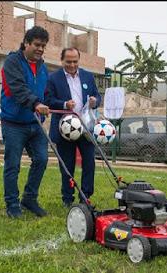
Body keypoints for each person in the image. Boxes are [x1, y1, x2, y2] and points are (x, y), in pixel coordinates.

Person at [0, 26, 50, 219]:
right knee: (12, 165)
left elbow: (45, 93)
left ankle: (29, 198)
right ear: (26, 43)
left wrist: (60, 103)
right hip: (14, 123)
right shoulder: (12, 62)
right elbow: (18, 89)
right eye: (37, 45)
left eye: (43, 46)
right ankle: (12, 204)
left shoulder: (42, 67)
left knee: (42, 160)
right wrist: (35, 103)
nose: (40, 49)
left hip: (35, 123)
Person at [45, 47, 101, 208]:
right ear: (62, 61)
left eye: (75, 61)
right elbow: (47, 99)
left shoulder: (88, 76)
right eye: (68, 61)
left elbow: (97, 96)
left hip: (85, 126)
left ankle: (86, 196)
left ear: (79, 60)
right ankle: (67, 198)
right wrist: (64, 104)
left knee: (89, 161)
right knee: (67, 164)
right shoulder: (53, 78)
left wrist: (94, 101)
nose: (72, 65)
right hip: (65, 128)